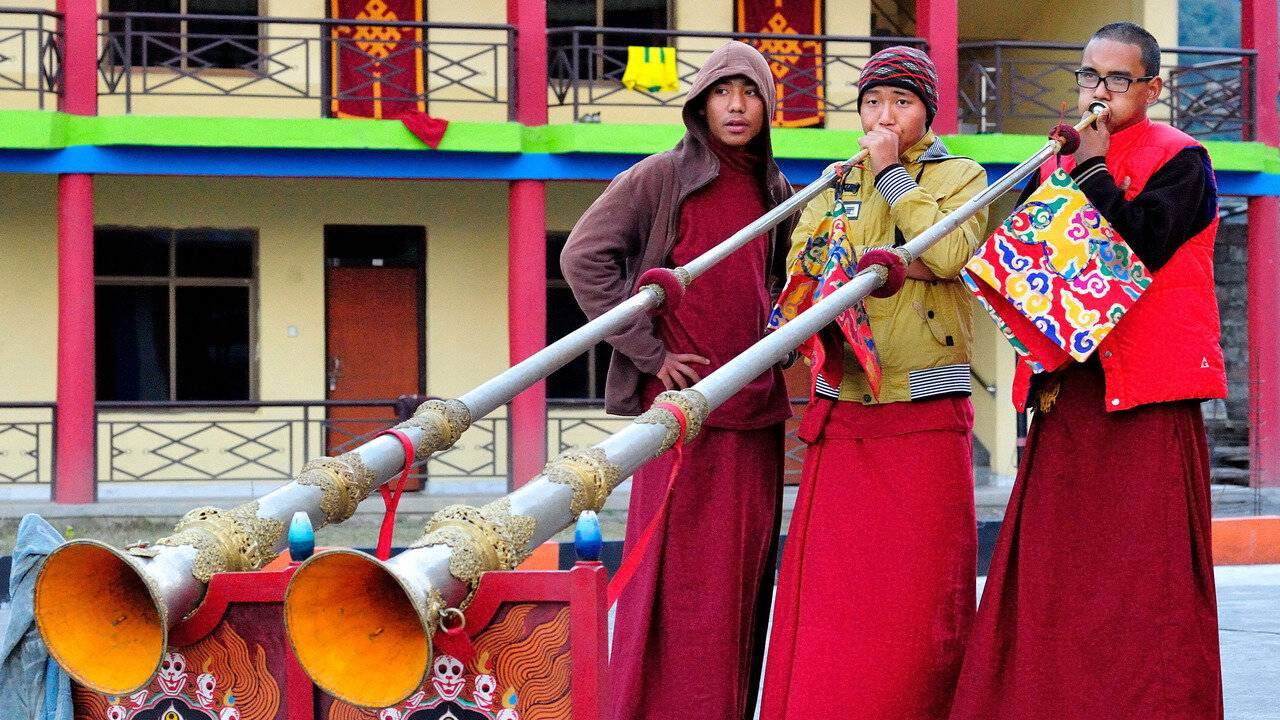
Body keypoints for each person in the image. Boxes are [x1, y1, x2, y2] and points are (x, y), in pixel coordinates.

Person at [949, 22, 1226, 720]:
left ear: (1152, 89)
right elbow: (1028, 274)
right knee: (1058, 575)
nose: (1098, 94)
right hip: (1069, 396)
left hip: (1148, 397)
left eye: (1116, 80)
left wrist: (1095, 172)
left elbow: (1137, 248)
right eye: (1088, 77)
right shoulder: (1054, 162)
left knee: (1144, 583)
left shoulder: (1184, 160)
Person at [560, 41, 794, 720]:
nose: (737, 106)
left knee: (737, 587)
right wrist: (648, 350)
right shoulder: (660, 178)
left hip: (754, 416)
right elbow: (583, 258)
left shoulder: (776, 191)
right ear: (700, 103)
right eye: (723, 92)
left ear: (767, 106)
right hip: (683, 417)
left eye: (749, 93)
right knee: (672, 580)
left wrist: (778, 336)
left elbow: (775, 282)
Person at [760, 45, 989, 720]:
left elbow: (949, 252)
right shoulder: (838, 179)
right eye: (872, 102)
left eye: (901, 102)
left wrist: (892, 177)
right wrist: (884, 256)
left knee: (917, 596)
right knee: (836, 594)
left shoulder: (962, 175)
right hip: (846, 406)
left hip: (925, 407)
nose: (883, 115)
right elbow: (806, 268)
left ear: (927, 111)